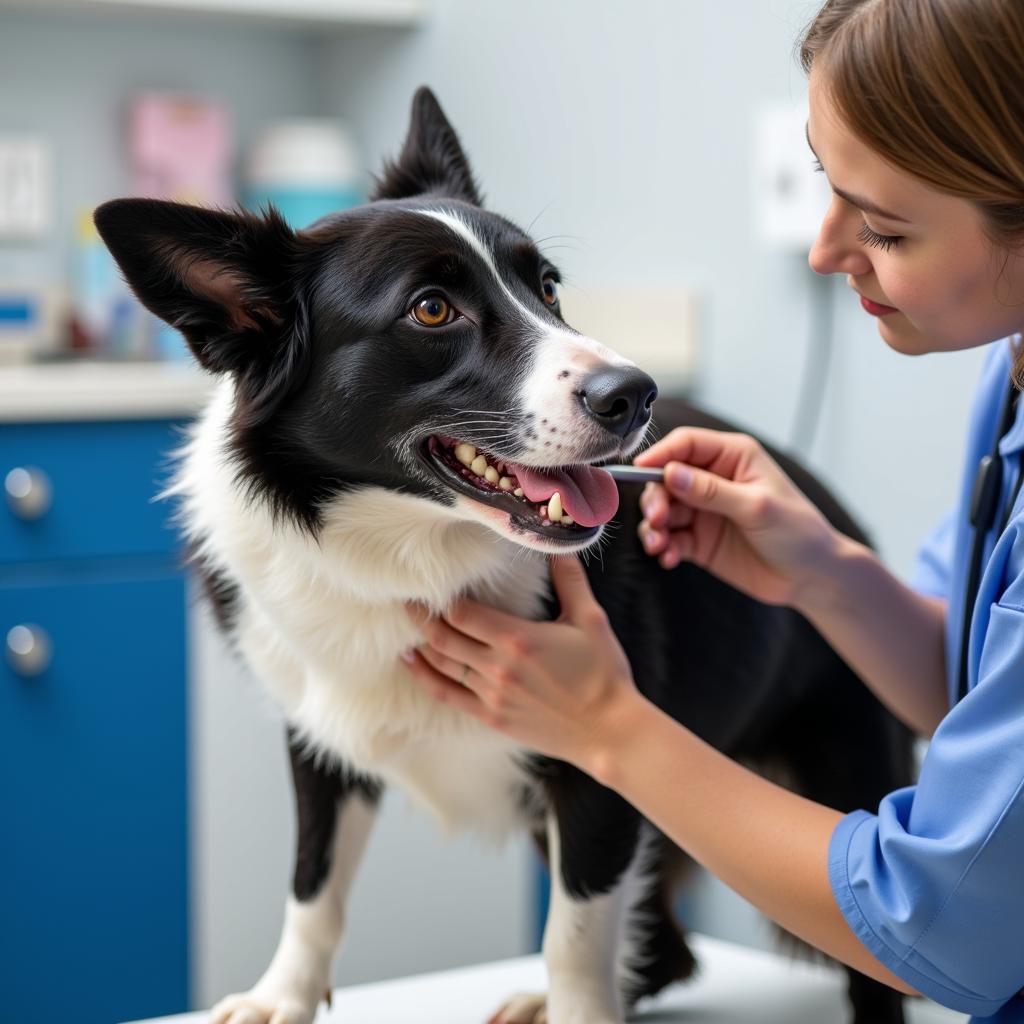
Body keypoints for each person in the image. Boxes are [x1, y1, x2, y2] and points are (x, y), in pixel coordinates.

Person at [401, 0, 1024, 1018]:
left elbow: (944, 919)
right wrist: (825, 573)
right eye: (828, 185)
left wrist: (612, 730)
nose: (827, 248)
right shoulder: (1010, 380)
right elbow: (975, 704)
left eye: (884, 224)